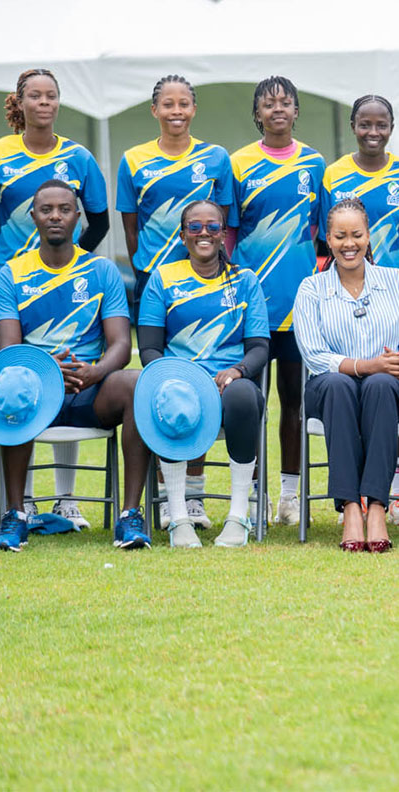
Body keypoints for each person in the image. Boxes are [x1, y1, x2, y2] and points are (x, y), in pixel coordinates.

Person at [0, 68, 110, 527]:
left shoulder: (80, 157)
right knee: (18, 380)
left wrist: (74, 266)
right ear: (21, 102)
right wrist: (3, 261)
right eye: (35, 95)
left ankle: (65, 498)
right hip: (18, 286)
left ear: (58, 103)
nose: (44, 103)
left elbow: (100, 223)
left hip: (71, 285)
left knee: (70, 367)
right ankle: (23, 500)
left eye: (51, 95)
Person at [0, 181, 149, 552]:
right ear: (33, 218)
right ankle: (15, 515)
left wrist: (95, 371)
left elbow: (121, 345)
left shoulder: (102, 271)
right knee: (11, 383)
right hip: (35, 389)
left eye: (64, 209)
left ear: (78, 216)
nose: (55, 216)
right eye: (46, 210)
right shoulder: (11, 274)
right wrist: (45, 370)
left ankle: (130, 516)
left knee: (136, 383)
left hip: (88, 387)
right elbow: (9, 352)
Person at [116, 73, 235, 528]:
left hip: (207, 284)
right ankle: (168, 498)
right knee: (164, 388)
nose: (177, 112)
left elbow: (226, 222)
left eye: (184, 103)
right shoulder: (133, 160)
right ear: (154, 111)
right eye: (168, 104)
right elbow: (131, 228)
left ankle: (196, 499)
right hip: (157, 285)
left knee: (200, 382)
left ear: (194, 109)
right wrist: (151, 270)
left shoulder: (216, 158)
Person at [293, 197, 399, 551]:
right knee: (340, 385)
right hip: (331, 389)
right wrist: (367, 366)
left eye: (356, 235)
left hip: (391, 388)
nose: (348, 244)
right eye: (339, 236)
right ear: (328, 239)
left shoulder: (397, 282)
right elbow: (314, 356)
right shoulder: (311, 289)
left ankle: (378, 507)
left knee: (380, 384)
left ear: (369, 237)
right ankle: (351, 507)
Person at [135, 200, 269, 549]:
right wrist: (180, 377)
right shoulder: (161, 280)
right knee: (172, 396)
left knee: (243, 394)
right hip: (179, 385)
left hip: (230, 388)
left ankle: (238, 517)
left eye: (213, 227)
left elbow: (258, 347)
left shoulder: (245, 281)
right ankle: (178, 518)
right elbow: (149, 349)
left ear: (224, 234)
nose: (204, 233)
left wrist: (238, 371)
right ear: (183, 235)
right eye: (195, 227)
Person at [230, 75, 326, 527]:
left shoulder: (315, 162)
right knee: (250, 399)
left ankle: (289, 496)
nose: (278, 110)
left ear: (295, 110)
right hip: (250, 303)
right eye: (269, 104)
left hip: (298, 303)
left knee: (293, 401)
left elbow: (322, 234)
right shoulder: (238, 163)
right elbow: (229, 233)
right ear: (257, 114)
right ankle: (251, 494)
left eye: (285, 102)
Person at [318, 94, 399, 523]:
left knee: (388, 385)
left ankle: (397, 494)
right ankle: (357, 501)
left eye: (381, 125)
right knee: (349, 391)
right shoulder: (334, 173)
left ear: (392, 128)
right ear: (354, 125)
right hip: (345, 298)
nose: (373, 132)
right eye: (364, 124)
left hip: (394, 299)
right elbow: (324, 237)